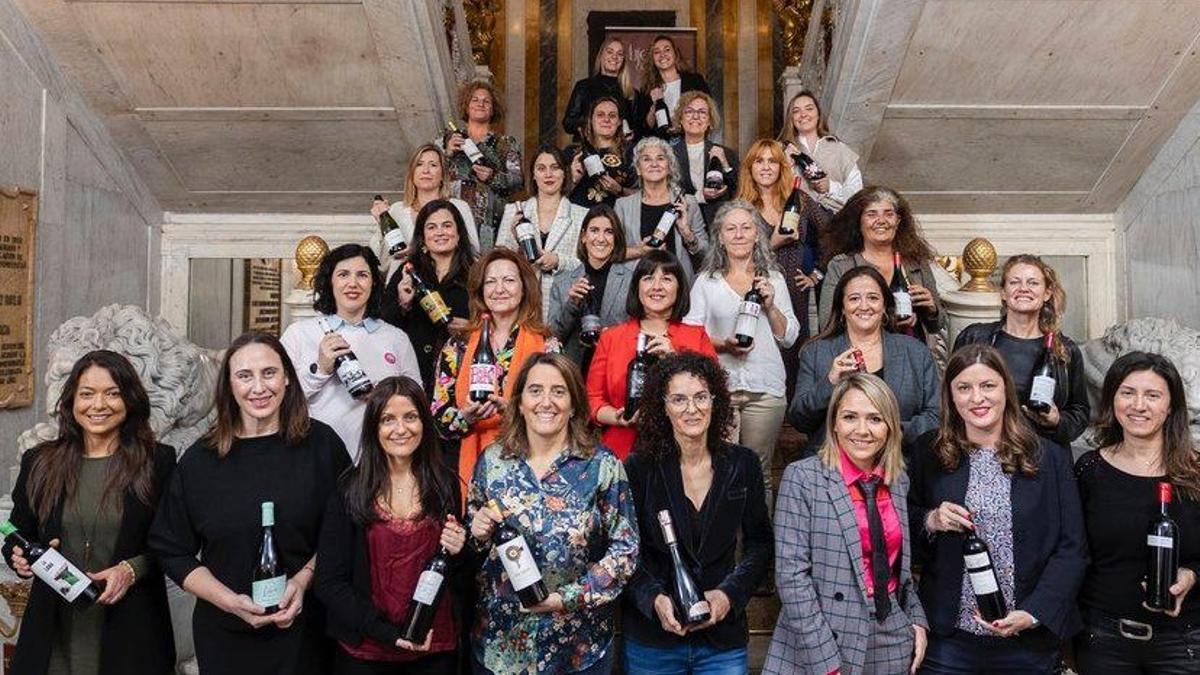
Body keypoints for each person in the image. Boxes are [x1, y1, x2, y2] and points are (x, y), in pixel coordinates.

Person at [150, 332, 351, 675]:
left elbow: (347, 530)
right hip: (225, 637)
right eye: (244, 376)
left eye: (269, 373)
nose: (259, 387)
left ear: (287, 378)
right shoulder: (200, 461)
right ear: (229, 386)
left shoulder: (322, 447)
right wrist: (228, 601)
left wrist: (302, 581)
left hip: (308, 631)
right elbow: (171, 549)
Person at [907, 344, 1087, 674]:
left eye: (988, 385)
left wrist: (1034, 613)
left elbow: (1072, 548)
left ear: (1006, 389)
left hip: (1026, 641)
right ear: (950, 396)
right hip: (949, 640)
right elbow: (901, 526)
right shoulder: (929, 452)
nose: (977, 398)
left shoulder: (1048, 457)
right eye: (964, 387)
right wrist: (931, 520)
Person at [3, 350, 175, 675]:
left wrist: (131, 569)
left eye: (112, 393)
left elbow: (174, 542)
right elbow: (17, 532)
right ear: (71, 401)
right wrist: (18, 557)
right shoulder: (39, 461)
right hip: (52, 629)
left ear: (130, 400)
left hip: (131, 628)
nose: (98, 405)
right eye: (87, 394)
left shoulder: (157, 462)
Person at [467, 353, 638, 674]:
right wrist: (476, 533)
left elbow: (625, 551)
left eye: (558, 391)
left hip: (578, 648)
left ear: (574, 405)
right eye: (535, 391)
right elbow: (471, 546)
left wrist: (566, 598)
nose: (546, 402)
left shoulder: (602, 465)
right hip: (502, 645)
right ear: (519, 403)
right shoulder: (492, 462)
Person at [765, 373, 927, 674]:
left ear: (890, 427)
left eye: (875, 419)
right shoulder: (803, 478)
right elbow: (791, 578)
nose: (862, 430)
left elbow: (900, 571)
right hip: (822, 637)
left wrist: (916, 619)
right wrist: (827, 665)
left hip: (890, 636)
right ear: (834, 423)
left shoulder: (898, 481)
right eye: (850, 417)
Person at [623, 352, 772, 674]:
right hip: (654, 639)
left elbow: (760, 545)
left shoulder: (743, 463)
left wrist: (728, 595)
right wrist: (654, 600)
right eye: (679, 399)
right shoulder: (639, 467)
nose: (692, 409)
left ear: (715, 401)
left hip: (722, 641)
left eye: (701, 397)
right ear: (663, 406)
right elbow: (625, 551)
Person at [315, 377, 467, 675]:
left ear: (424, 423)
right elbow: (329, 583)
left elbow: (458, 574)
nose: (400, 429)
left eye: (410, 417)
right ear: (374, 427)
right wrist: (388, 633)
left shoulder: (444, 484)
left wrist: (460, 550)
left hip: (434, 647)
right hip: (366, 651)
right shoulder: (350, 489)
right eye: (388, 419)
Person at [1073, 351, 1200, 673]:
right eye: (1127, 392)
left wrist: (1192, 574)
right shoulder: (1089, 470)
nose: (1138, 405)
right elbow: (1071, 552)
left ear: (1170, 406)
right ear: (1112, 400)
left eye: (1152, 395)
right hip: (1103, 640)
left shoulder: (1196, 472)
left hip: (1184, 642)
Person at [684, 201, 799, 501]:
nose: (738, 234)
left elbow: (789, 337)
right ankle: (726, 534)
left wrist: (771, 306)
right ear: (720, 237)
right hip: (721, 388)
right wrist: (724, 345)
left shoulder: (773, 279)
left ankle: (758, 533)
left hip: (766, 388)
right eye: (730, 229)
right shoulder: (706, 282)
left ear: (757, 235)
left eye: (746, 228)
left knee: (759, 472)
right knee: (721, 471)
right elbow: (690, 337)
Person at [430, 248, 555, 493]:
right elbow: (438, 419)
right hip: (469, 463)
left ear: (524, 287)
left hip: (533, 465)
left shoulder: (546, 345)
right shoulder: (458, 346)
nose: (499, 289)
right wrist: (466, 417)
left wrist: (513, 411)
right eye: (490, 282)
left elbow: (562, 410)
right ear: (480, 290)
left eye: (509, 280)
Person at [281, 243, 422, 458]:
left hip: (380, 459)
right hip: (316, 456)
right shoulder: (299, 334)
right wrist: (321, 369)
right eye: (343, 275)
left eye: (362, 275)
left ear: (374, 283)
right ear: (330, 281)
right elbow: (280, 398)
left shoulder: (396, 338)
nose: (353, 283)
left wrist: (386, 395)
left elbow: (417, 400)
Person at [790, 265, 939, 456]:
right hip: (832, 463)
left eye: (873, 298)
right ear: (842, 308)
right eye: (854, 298)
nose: (864, 306)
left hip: (901, 462)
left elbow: (936, 416)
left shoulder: (916, 352)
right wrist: (830, 382)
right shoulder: (816, 352)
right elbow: (800, 420)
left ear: (884, 306)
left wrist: (889, 431)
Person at [587, 250, 717, 460]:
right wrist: (618, 417)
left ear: (679, 287)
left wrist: (675, 359)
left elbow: (715, 392)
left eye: (666, 279)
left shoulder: (696, 336)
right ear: (637, 287)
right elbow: (592, 399)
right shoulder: (611, 337)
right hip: (621, 450)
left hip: (685, 451)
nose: (657, 286)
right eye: (648, 278)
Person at [952, 255, 1090, 448]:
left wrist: (1057, 421)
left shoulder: (1065, 350)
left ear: (1047, 293)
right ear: (1003, 292)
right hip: (983, 448)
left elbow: (1080, 412)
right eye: (1014, 282)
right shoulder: (974, 337)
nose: (1023, 288)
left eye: (1033, 283)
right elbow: (950, 395)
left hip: (1044, 451)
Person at [737, 138, 827, 397]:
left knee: (794, 358)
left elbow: (833, 234)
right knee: (757, 352)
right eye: (759, 161)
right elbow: (733, 255)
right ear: (750, 168)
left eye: (772, 161)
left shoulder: (800, 201)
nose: (766, 167)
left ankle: (792, 416)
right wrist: (773, 243)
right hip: (753, 291)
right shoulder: (741, 207)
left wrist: (816, 274)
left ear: (781, 167)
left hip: (794, 292)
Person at [818, 186, 944, 346]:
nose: (881, 220)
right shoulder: (841, 266)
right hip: (862, 354)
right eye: (872, 214)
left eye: (888, 214)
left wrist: (932, 309)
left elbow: (937, 325)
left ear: (898, 221)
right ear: (859, 222)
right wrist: (888, 322)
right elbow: (827, 324)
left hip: (912, 352)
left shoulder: (915, 262)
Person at [380, 199, 476, 389]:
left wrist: (472, 328)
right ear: (422, 236)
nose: (440, 232)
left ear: (459, 233)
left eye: (447, 225)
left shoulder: (477, 273)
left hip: (461, 372)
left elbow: (496, 321)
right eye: (431, 227)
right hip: (412, 374)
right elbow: (383, 325)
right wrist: (403, 303)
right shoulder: (407, 271)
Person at [496, 145, 587, 317]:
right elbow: (499, 262)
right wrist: (517, 242)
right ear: (533, 175)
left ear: (565, 173)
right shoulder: (513, 211)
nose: (548, 174)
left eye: (555, 168)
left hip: (563, 306)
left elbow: (587, 266)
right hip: (521, 303)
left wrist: (558, 261)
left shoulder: (582, 215)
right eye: (541, 168)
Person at [370, 144, 481, 278]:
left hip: (447, 283)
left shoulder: (459, 207)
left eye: (433, 165)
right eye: (419, 164)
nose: (426, 170)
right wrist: (380, 223)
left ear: (443, 174)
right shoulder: (397, 210)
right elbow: (380, 264)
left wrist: (416, 251)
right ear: (412, 173)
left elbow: (473, 255)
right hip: (401, 283)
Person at [548, 204, 634, 367]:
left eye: (609, 232)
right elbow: (554, 337)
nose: (601, 239)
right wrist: (572, 304)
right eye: (594, 230)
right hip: (573, 372)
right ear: (583, 237)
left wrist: (612, 335)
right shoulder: (562, 282)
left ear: (616, 238)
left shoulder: (631, 280)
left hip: (615, 367)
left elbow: (637, 330)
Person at [442, 80, 524, 251]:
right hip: (452, 217)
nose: (481, 104)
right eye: (475, 100)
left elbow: (517, 181)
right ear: (466, 106)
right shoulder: (447, 140)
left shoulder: (505, 143)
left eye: (486, 101)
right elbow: (429, 173)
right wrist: (447, 153)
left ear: (493, 109)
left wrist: (492, 177)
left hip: (490, 222)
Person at [615, 137, 708, 283]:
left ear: (669, 166)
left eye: (660, 158)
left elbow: (706, 253)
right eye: (646, 159)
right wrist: (641, 251)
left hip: (679, 283)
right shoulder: (623, 205)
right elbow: (612, 252)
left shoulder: (688, 203)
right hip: (636, 283)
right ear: (638, 169)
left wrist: (686, 232)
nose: (654, 164)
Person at [777, 90, 863, 214]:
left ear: (818, 114)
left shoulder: (840, 149)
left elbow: (858, 195)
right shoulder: (780, 150)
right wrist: (786, 165)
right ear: (791, 118)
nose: (803, 114)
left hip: (836, 220)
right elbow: (772, 192)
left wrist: (830, 186)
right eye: (796, 111)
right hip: (795, 219)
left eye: (809, 109)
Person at [670, 91, 737, 224]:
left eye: (702, 112)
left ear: (709, 122)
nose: (695, 116)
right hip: (681, 220)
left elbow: (738, 189)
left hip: (718, 222)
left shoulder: (726, 153)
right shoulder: (668, 154)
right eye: (689, 111)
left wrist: (725, 164)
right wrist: (701, 196)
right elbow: (665, 192)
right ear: (681, 120)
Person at [562, 36, 639, 141]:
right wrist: (589, 125)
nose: (614, 57)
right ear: (601, 56)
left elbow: (638, 128)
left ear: (623, 60)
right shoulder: (584, 86)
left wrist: (631, 135)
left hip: (619, 148)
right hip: (587, 146)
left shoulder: (631, 93)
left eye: (620, 54)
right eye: (610, 52)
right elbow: (568, 123)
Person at [634, 34, 711, 138]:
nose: (662, 55)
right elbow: (645, 127)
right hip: (661, 143)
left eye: (667, 50)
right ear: (652, 59)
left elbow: (709, 110)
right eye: (657, 52)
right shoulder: (647, 89)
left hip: (691, 140)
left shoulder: (695, 81)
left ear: (675, 54)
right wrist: (654, 106)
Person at [567, 96, 637, 209]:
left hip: (616, 217)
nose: (606, 119)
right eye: (600, 115)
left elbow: (645, 196)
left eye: (612, 115)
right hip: (579, 217)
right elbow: (553, 196)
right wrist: (573, 180)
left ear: (619, 122)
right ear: (591, 120)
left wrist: (620, 190)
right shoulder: (573, 153)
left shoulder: (632, 153)